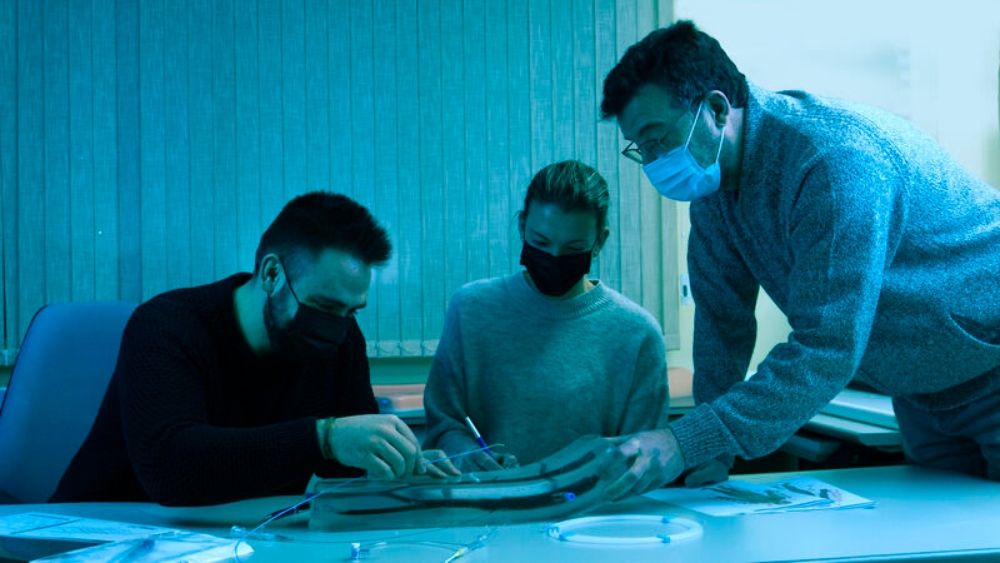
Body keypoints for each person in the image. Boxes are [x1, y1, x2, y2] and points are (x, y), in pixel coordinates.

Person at [597, 21, 1000, 499]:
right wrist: (709, 452)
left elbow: (825, 346)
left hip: (990, 366)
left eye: (658, 139)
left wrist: (686, 441)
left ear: (717, 109)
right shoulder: (714, 191)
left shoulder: (832, 163)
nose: (653, 162)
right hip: (921, 391)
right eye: (642, 149)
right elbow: (721, 324)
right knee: (945, 529)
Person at [52, 192, 457, 506]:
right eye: (324, 306)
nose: (337, 326)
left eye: (351, 310)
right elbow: (171, 469)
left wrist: (400, 464)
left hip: (241, 538)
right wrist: (324, 437)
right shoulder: (167, 325)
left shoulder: (343, 338)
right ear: (271, 273)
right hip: (109, 532)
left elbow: (347, 466)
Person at [422, 160, 669, 472]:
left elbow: (641, 458)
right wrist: (469, 456)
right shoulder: (471, 310)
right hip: (488, 496)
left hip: (592, 502)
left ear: (599, 241)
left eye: (573, 247)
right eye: (541, 242)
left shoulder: (636, 334)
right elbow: (444, 427)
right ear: (522, 226)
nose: (554, 257)